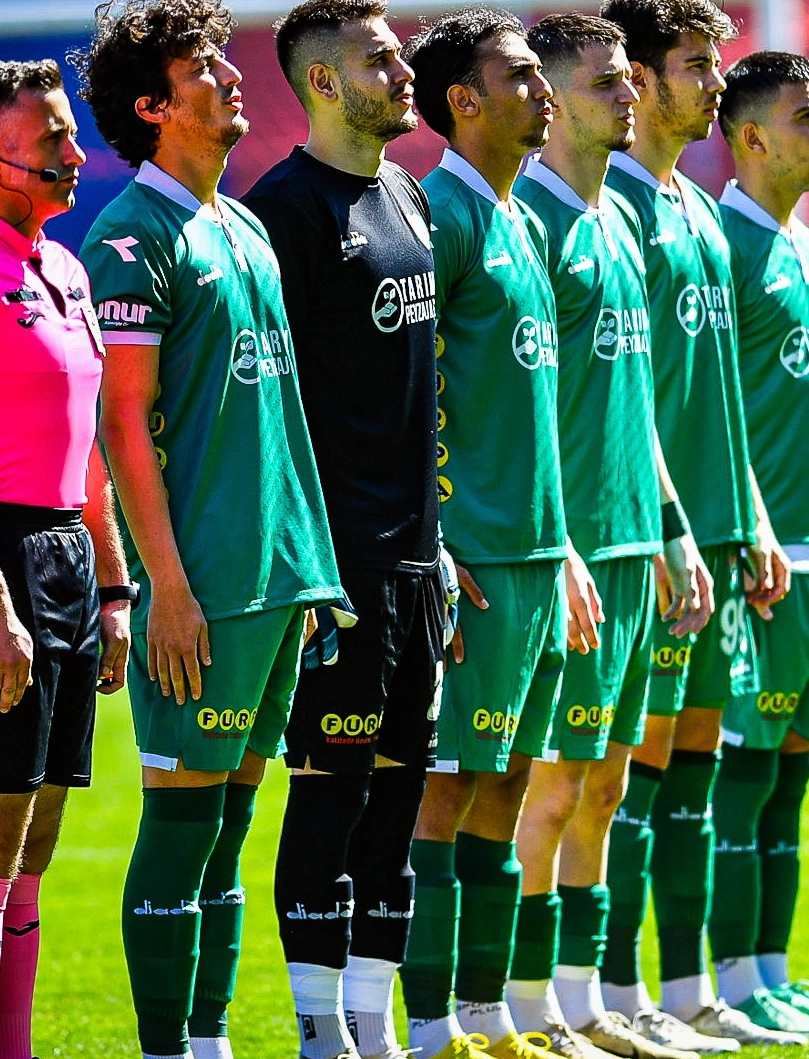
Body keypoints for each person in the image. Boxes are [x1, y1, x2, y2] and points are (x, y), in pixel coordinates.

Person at [77, 3, 343, 1056]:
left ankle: (208, 1040)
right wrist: (165, 587)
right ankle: (163, 1049)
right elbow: (121, 426)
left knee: (231, 830)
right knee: (183, 824)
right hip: (204, 585)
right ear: (153, 107)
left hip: (276, 580)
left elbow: (275, 421)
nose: (233, 76)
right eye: (203, 67)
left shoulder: (241, 227)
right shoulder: (130, 236)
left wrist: (308, 569)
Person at [510, 14, 717, 1059]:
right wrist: (562, 547)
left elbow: (636, 410)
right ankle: (519, 1005)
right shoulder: (532, 225)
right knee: (548, 787)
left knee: (606, 782)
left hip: (638, 546)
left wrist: (674, 529)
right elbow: (523, 414)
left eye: (629, 81)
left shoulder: (619, 220)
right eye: (605, 84)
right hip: (575, 553)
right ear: (552, 99)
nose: (628, 96)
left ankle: (587, 1003)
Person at [243, 3, 442, 1056]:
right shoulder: (283, 214)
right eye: (380, 59)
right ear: (323, 83)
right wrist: (309, 567)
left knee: (399, 797)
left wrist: (436, 543)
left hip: (418, 560)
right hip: (340, 569)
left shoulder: (407, 193)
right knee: (332, 794)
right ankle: (320, 1030)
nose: (402, 70)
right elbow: (270, 413)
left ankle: (373, 1023)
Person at [596, 0, 795, 1047]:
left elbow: (718, 393)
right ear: (638, 76)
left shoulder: (702, 211)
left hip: (720, 534)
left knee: (696, 775)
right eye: (693, 64)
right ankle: (618, 993)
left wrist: (751, 513)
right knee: (630, 775)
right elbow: (633, 406)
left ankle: (687, 990)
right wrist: (677, 524)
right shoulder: (615, 205)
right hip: (657, 537)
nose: (714, 82)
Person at [396, 11, 576, 1059]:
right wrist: (436, 539)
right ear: (462, 101)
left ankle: (484, 1015)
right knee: (447, 787)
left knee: (506, 784)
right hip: (472, 562)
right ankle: (426, 1027)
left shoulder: (523, 219)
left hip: (540, 557)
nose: (541, 90)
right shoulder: (439, 216)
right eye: (518, 76)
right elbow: (406, 398)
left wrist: (566, 548)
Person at [706, 49, 809, 1036]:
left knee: (791, 776)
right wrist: (752, 527)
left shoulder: (805, 244)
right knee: (742, 775)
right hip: (761, 565)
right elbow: (703, 410)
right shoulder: (725, 248)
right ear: (751, 138)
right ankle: (728, 980)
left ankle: (770, 970)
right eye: (807, 117)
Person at [0, 56, 131, 1059]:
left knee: (39, 828)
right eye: (53, 137)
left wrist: (115, 587)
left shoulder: (69, 268)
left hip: (68, 559)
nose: (75, 152)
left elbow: (89, 454)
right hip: (3, 557)